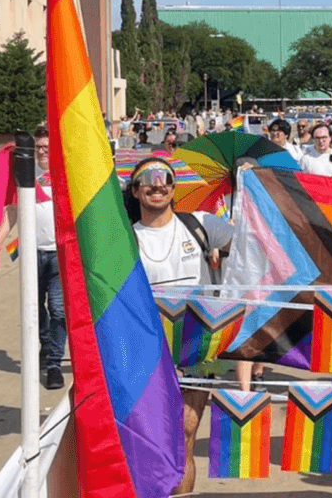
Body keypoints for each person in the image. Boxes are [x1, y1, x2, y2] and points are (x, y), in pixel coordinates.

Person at [125, 157, 233, 496]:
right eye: (148, 179)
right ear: (135, 189)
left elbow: (253, 246)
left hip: (195, 349)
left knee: (185, 436)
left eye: (165, 178)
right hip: (147, 353)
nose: (157, 184)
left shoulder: (201, 225)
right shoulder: (124, 239)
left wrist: (249, 192)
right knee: (152, 441)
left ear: (174, 188)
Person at [0, 128, 65, 390]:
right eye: (39, 147)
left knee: (58, 310)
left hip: (59, 255)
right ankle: (47, 346)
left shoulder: (65, 177)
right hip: (31, 254)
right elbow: (12, 212)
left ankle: (55, 365)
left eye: (48, 146)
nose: (43, 151)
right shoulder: (24, 176)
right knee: (35, 309)